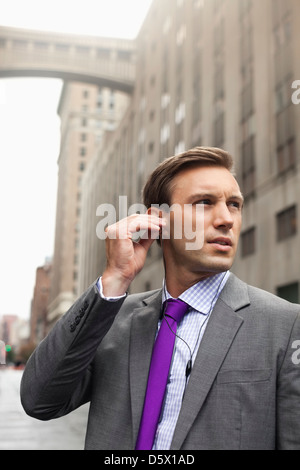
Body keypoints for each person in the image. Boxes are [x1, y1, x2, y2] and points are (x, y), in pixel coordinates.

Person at [21, 147, 300, 450]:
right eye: (204, 202)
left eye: (234, 204)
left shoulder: (285, 325)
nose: (226, 219)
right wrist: (114, 279)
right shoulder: (112, 319)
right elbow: (39, 400)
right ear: (159, 221)